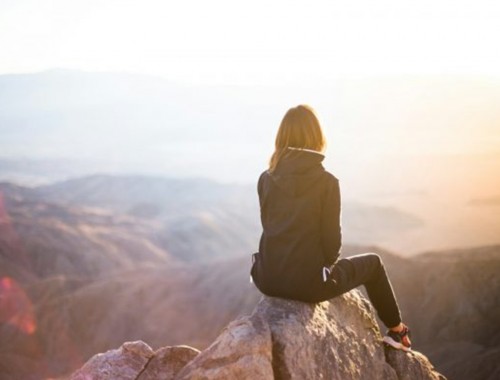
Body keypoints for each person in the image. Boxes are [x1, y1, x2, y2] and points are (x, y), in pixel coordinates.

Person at [250, 104, 412, 352]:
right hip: (309, 285)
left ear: (281, 138)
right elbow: (332, 246)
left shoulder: (265, 177)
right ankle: (397, 331)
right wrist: (322, 269)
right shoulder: (327, 182)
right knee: (374, 264)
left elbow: (270, 227)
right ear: (317, 137)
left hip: (267, 278)